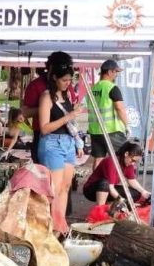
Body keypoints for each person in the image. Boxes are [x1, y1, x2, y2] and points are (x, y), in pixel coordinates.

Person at [36, 58, 86, 234]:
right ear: (54, 78)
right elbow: (44, 128)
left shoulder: (67, 96)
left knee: (65, 186)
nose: (67, 84)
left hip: (68, 143)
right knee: (54, 188)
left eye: (69, 80)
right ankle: (49, 225)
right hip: (52, 143)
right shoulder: (46, 97)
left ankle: (60, 223)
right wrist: (69, 116)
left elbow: (70, 125)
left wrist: (78, 142)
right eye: (64, 80)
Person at [23, 51, 73, 165]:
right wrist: (46, 107)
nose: (67, 81)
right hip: (43, 136)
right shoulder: (36, 85)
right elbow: (24, 112)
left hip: (66, 137)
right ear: (50, 68)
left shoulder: (66, 86)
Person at [86, 59, 129, 171]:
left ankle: (95, 183)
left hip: (95, 130)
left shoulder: (93, 88)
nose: (116, 75)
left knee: (98, 158)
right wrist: (127, 125)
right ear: (109, 72)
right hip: (111, 130)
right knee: (121, 156)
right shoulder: (112, 87)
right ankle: (116, 182)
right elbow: (119, 108)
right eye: (116, 72)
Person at [83, 140, 151, 207]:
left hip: (108, 187)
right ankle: (100, 208)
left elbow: (131, 180)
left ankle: (112, 205)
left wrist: (143, 192)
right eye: (132, 160)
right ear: (126, 154)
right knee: (104, 183)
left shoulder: (129, 164)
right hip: (91, 190)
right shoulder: (111, 162)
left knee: (136, 194)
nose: (133, 163)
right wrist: (124, 201)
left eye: (135, 161)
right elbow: (111, 188)